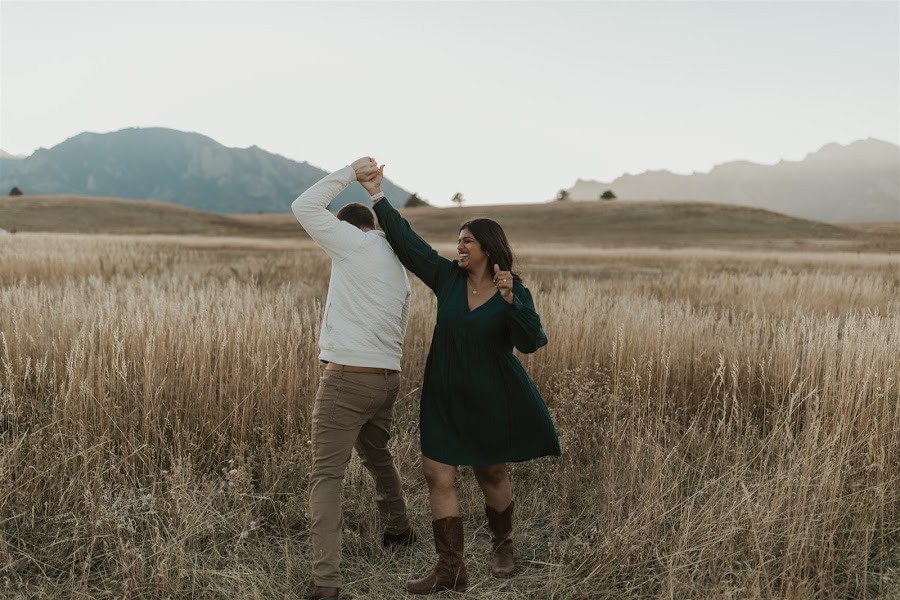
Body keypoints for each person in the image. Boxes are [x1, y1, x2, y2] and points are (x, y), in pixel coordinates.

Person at [353, 161, 561, 594]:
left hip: (490, 395)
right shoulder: (446, 278)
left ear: (488, 246)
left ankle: (503, 546)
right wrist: (377, 195)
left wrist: (510, 301)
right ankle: (451, 568)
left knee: (491, 475)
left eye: (467, 241)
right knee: (436, 473)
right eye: (458, 240)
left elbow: (532, 342)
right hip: (443, 391)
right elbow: (410, 245)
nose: (459, 246)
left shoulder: (512, 289)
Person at [292, 157, 416, 600]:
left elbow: (304, 206)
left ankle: (326, 583)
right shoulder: (396, 265)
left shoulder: (353, 244)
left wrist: (350, 173)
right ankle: (399, 531)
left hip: (347, 379)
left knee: (326, 475)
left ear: (348, 230)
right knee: (378, 456)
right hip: (386, 378)